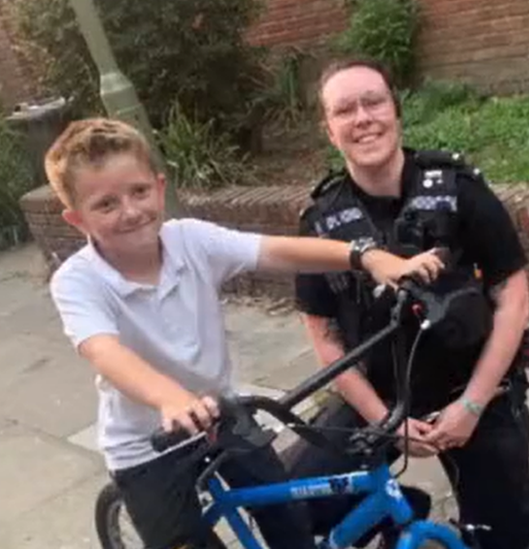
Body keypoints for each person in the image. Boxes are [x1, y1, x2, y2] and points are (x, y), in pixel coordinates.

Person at [44, 117, 444, 549]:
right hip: (148, 448)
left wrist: (366, 257)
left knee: (292, 524)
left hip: (221, 417)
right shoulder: (78, 281)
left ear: (160, 187)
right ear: (75, 219)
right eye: (106, 204)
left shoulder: (190, 240)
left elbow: (274, 251)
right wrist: (169, 398)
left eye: (139, 191)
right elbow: (104, 351)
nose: (131, 211)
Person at [288, 58, 529, 549]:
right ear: (329, 130)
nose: (362, 118)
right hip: (378, 398)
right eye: (344, 110)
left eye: (373, 102)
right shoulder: (320, 222)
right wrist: (384, 419)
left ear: (396, 111)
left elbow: (514, 299)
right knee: (297, 508)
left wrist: (470, 406)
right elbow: (323, 336)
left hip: (471, 389)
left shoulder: (459, 191)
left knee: (507, 534)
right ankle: (397, 509)